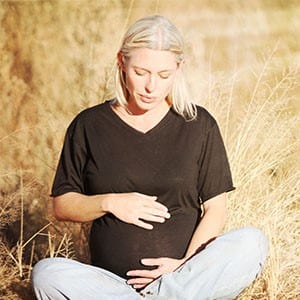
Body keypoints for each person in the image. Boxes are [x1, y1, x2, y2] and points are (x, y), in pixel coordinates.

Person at [31, 15, 268, 300]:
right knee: (47, 273)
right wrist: (111, 202)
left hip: (183, 276)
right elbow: (63, 205)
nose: (151, 87)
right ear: (122, 62)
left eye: (164, 75)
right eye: (141, 72)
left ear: (178, 69)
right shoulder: (89, 125)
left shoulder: (199, 124)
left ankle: (170, 294)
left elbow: (216, 209)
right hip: (112, 286)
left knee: (252, 242)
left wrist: (184, 266)